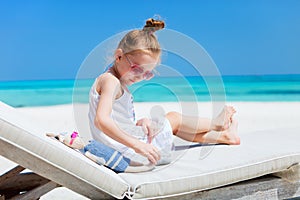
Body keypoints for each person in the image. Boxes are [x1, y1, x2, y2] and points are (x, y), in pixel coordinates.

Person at [88, 18, 240, 166]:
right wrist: (137, 145)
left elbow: (117, 121)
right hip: (134, 153)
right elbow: (101, 120)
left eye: (147, 74)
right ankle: (216, 124)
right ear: (119, 56)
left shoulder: (114, 81)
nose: (140, 77)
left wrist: (138, 124)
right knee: (173, 118)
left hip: (126, 150)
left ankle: (225, 137)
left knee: (169, 127)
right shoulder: (111, 81)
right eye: (137, 69)